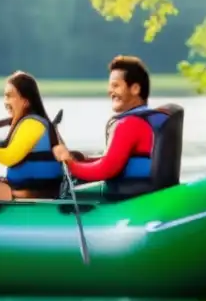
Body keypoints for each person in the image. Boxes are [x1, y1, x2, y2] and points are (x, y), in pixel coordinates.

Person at [52, 55, 155, 197]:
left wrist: (70, 165)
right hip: (140, 188)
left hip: (130, 194)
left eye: (115, 85)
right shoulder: (145, 118)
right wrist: (83, 159)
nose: (110, 91)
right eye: (110, 86)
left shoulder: (130, 123)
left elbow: (106, 169)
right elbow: (112, 160)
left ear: (135, 88)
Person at [0, 71, 63, 201]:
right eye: (5, 96)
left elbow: (9, 157)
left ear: (25, 102)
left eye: (10, 96)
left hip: (35, 193)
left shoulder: (32, 124)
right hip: (29, 189)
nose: (5, 102)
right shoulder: (28, 123)